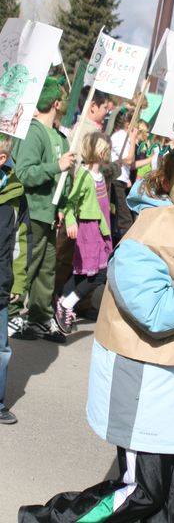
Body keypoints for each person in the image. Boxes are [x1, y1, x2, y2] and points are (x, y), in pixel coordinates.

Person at [19, 143, 174, 522]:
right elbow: (156, 313)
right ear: (165, 180)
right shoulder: (144, 234)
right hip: (147, 390)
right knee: (140, 493)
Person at [9, 77, 75, 342]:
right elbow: (23, 174)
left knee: (47, 269)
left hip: (49, 214)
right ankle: (12, 313)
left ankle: (39, 318)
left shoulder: (60, 137)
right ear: (56, 103)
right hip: (32, 212)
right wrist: (56, 167)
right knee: (26, 265)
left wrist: (60, 206)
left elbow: (63, 179)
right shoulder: (33, 132)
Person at [55, 132, 113, 334]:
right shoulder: (84, 175)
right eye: (103, 147)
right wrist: (70, 221)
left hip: (100, 231)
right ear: (94, 149)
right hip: (88, 231)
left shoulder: (101, 176)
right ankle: (66, 303)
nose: (107, 150)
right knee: (97, 274)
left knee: (86, 272)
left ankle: (64, 300)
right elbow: (71, 203)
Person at [0, 134, 26, 424]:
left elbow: (23, 241)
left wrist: (18, 281)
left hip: (1, 280)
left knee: (1, 348)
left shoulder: (14, 196)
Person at [110, 110, 139, 243]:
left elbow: (130, 163)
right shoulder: (121, 136)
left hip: (121, 180)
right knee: (125, 219)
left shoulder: (124, 137)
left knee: (122, 216)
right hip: (116, 180)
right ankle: (124, 245)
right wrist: (133, 140)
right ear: (128, 125)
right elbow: (128, 159)